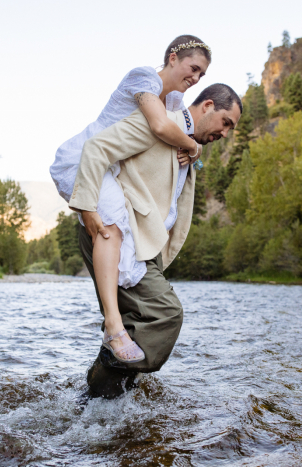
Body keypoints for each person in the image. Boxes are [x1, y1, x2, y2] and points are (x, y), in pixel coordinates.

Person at [69, 84, 242, 397]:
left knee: (138, 323)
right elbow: (97, 148)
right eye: (226, 122)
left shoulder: (187, 143)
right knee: (165, 315)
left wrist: (194, 149)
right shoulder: (160, 121)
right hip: (118, 237)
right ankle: (99, 391)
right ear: (207, 106)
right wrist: (88, 208)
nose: (226, 133)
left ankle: (101, 410)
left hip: (146, 245)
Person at [50, 35, 212, 363]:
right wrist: (193, 147)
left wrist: (192, 151)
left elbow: (176, 126)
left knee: (117, 235)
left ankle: (117, 336)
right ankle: (112, 326)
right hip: (84, 160)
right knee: (111, 229)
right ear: (172, 58)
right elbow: (159, 126)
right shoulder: (145, 77)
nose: (195, 79)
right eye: (193, 68)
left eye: (202, 75)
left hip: (108, 169)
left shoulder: (175, 101)